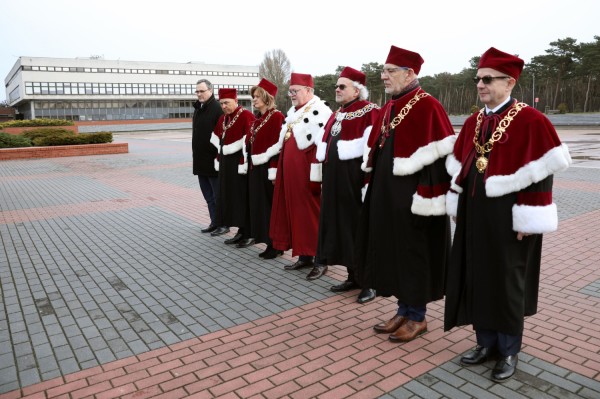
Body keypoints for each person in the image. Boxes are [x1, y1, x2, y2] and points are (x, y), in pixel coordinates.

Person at [444, 47, 572, 382]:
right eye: (477, 79)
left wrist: (529, 219)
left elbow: (542, 173)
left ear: (509, 82)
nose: (480, 85)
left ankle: (509, 349)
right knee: (477, 277)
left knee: (507, 282)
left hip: (510, 217)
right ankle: (485, 344)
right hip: (475, 215)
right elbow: (461, 168)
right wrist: (457, 205)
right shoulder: (474, 121)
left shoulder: (532, 120)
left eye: (487, 79)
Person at [355, 46, 456, 342]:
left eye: (390, 71)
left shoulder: (428, 106)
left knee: (414, 256)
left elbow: (439, 164)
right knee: (394, 254)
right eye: (383, 71)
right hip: (388, 198)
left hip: (414, 202)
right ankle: (403, 308)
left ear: (410, 73)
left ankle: (417, 316)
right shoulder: (391, 106)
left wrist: (425, 199)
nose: (383, 76)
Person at [309, 66, 379, 300]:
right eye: (336, 85)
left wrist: (366, 184)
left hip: (355, 183)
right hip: (334, 182)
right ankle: (353, 277)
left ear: (357, 91)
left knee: (360, 232)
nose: (336, 89)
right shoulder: (338, 113)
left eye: (342, 86)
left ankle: (369, 282)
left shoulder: (370, 112)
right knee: (342, 231)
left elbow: (372, 153)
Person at [269, 72, 332, 274]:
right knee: (298, 216)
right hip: (292, 176)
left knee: (313, 217)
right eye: (290, 91)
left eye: (295, 91)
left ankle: (321, 261)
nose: (292, 95)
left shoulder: (321, 111)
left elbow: (323, 147)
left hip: (309, 176)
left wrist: (317, 177)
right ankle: (305, 255)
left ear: (308, 91)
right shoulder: (294, 112)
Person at [244, 78, 286, 259]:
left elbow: (279, 146)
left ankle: (275, 245)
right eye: (253, 96)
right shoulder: (256, 120)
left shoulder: (277, 116)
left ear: (267, 97)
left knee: (270, 209)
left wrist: (274, 171)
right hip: (256, 169)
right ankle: (269, 242)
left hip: (268, 170)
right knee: (260, 207)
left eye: (257, 96)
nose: (254, 99)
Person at [210, 88, 256, 247]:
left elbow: (249, 143)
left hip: (239, 165)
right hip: (226, 165)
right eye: (221, 103)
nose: (223, 106)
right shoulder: (223, 118)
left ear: (236, 101)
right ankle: (241, 231)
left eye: (227, 103)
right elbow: (218, 141)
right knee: (232, 199)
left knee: (242, 200)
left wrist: (243, 162)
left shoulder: (246, 115)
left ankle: (249, 233)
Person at [192, 79, 227, 235]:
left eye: (202, 91)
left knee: (218, 196)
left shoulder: (217, 108)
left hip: (214, 162)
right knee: (208, 196)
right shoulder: (199, 108)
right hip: (200, 161)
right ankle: (214, 222)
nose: (199, 94)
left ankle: (223, 224)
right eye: (197, 91)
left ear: (211, 90)